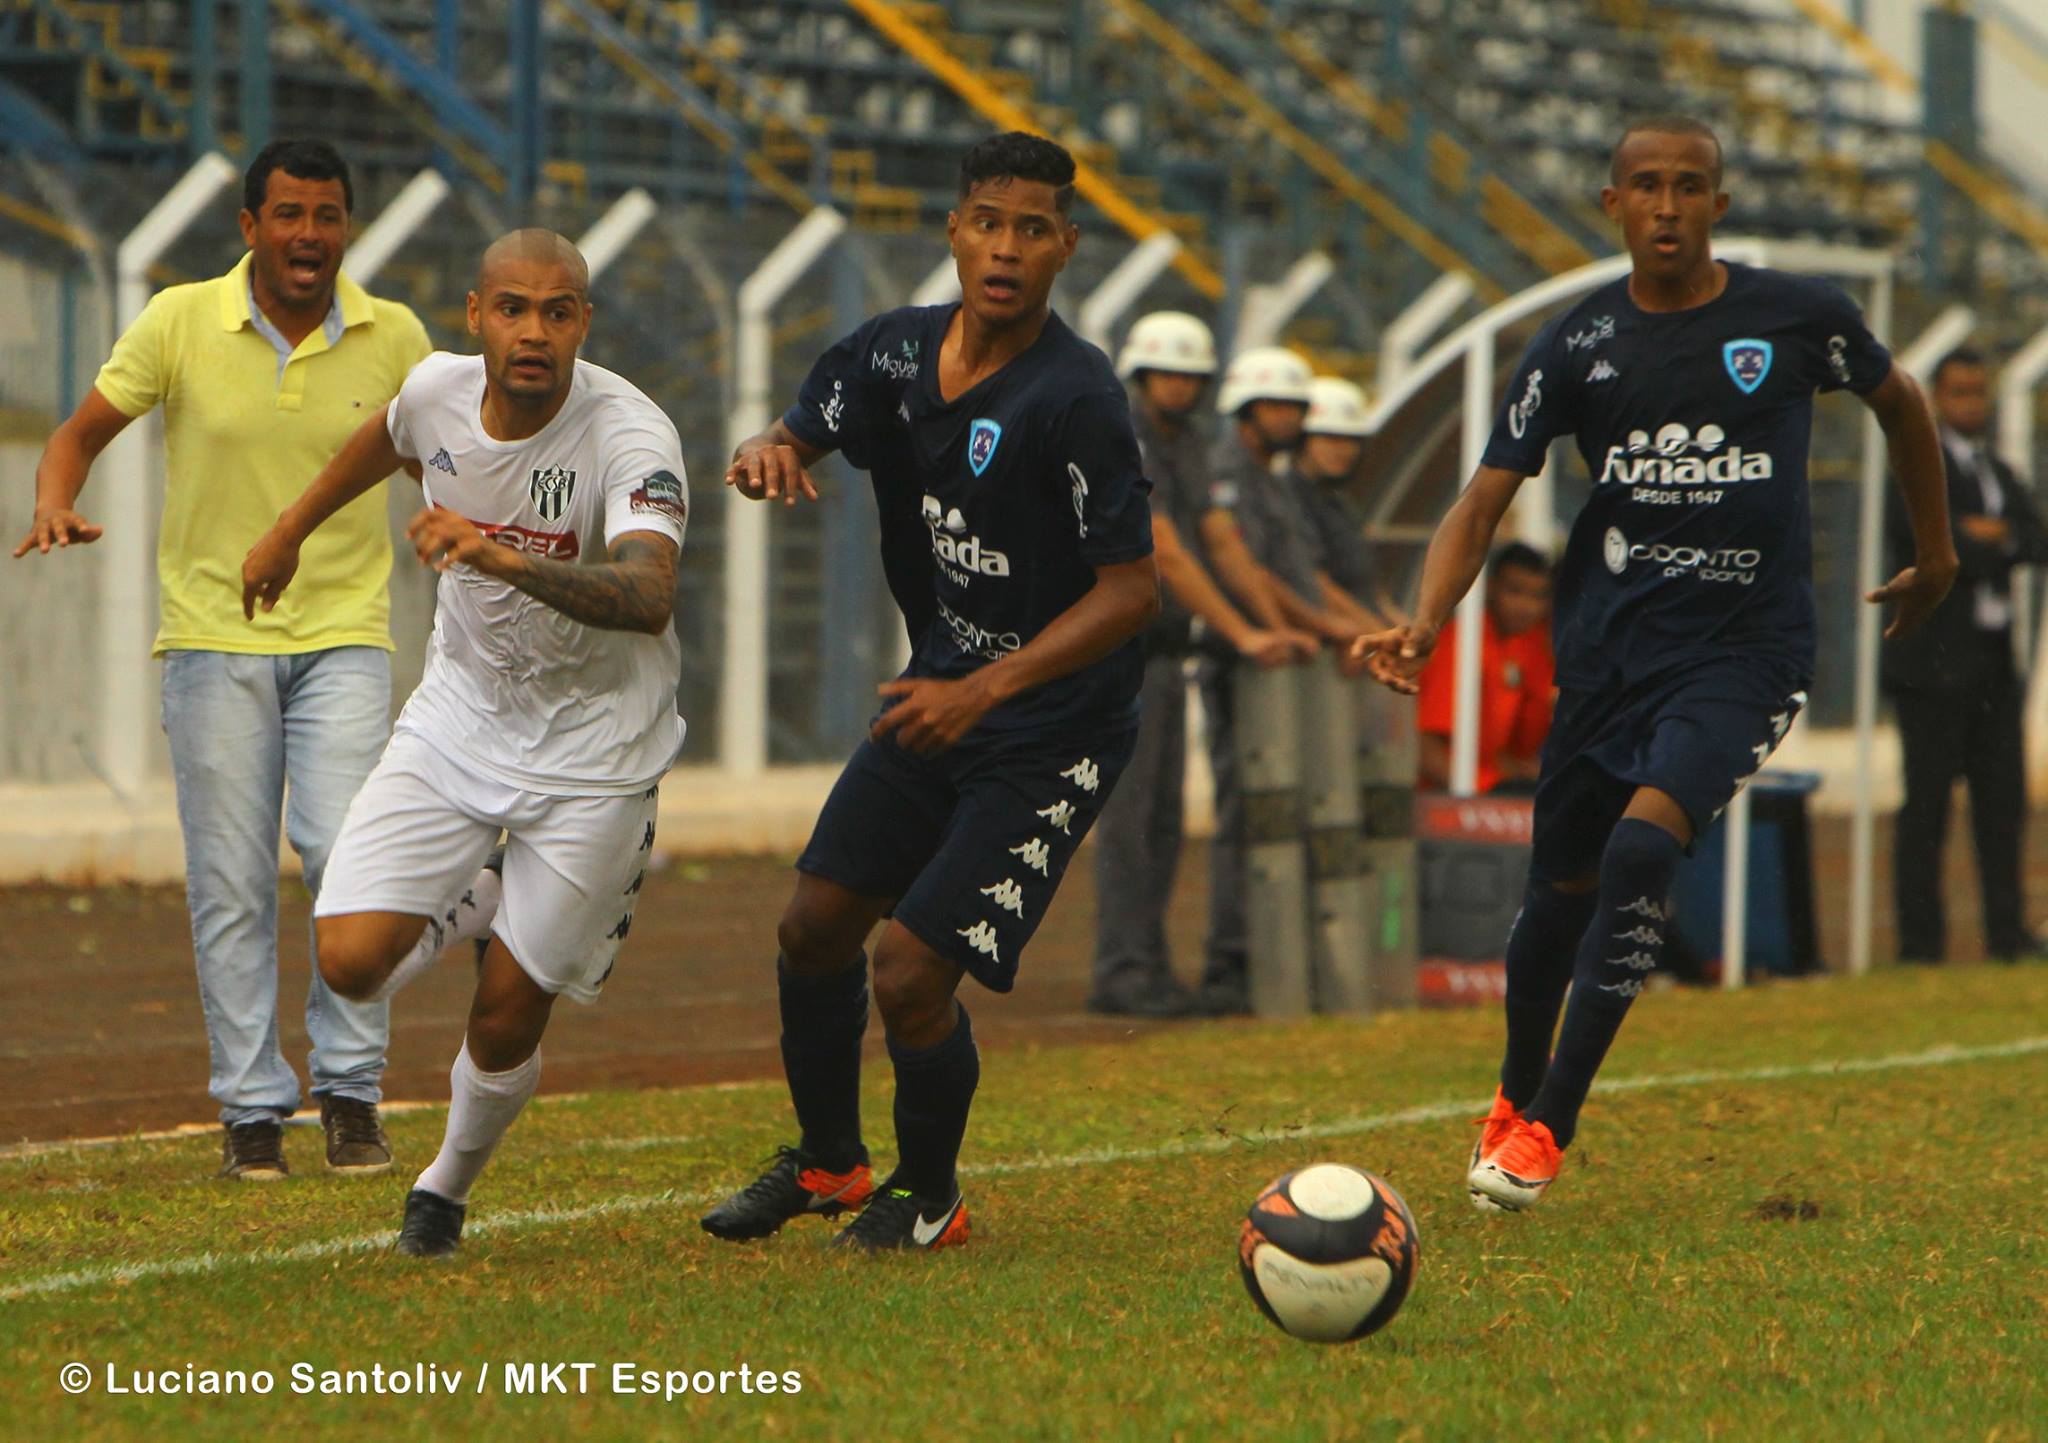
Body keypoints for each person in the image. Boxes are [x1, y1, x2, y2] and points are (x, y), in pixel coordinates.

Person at [1354, 114, 1954, 1213]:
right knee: (1556, 894)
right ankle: (1510, 1091)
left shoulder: (1792, 317)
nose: (1666, 206)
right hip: (1604, 658)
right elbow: (1483, 495)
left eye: (1688, 187)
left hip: (1745, 654)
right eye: (1645, 187)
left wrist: (1936, 551)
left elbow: (1897, 399)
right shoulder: (1576, 345)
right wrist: (1426, 619)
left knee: (1640, 851)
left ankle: (1546, 1128)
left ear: (1718, 205)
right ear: (1611, 205)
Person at [699, 132, 1160, 1251]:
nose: (1005, 249)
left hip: (1052, 730)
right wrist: (773, 450)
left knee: (907, 970)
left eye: (1032, 231)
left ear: (1065, 248)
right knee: (811, 926)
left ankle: (930, 1194)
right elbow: (804, 425)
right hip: (937, 696)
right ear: (953, 231)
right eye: (987, 223)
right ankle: (827, 1166)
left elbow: (1131, 591)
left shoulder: (1076, 396)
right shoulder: (894, 355)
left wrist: (988, 689)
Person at [240, 229, 688, 1255]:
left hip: (596, 756)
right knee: (348, 963)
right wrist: (288, 529)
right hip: (460, 719)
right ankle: (477, 896)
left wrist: (499, 557)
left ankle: (442, 1188)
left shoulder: (630, 436)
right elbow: (391, 438)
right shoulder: (437, 388)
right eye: (514, 309)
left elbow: (650, 594)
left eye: (559, 311)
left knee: (503, 1019)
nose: (535, 331)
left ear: (583, 323)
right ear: (476, 313)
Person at [12, 140, 431, 1181]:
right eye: (287, 215)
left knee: (345, 857)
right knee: (233, 884)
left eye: (326, 216)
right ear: (248, 228)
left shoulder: (398, 337)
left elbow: (447, 452)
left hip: (345, 634)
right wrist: (55, 501)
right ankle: (251, 1110)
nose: (308, 235)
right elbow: (78, 432)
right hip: (209, 640)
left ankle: (349, 1095)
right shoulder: (179, 322)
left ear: (347, 229)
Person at [1087, 311, 1313, 1019]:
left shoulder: (1185, 446)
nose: (1180, 386)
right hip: (1115, 657)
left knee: (1159, 820)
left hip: (1160, 657)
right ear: (1142, 375)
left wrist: (1270, 626)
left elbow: (1221, 542)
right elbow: (1168, 551)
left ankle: (1148, 968)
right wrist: (1242, 634)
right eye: (1168, 373)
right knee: (1129, 819)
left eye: (1191, 375)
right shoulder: (1129, 439)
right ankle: (1121, 969)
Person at [1196, 347, 1364, 1014]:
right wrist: (1309, 629)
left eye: (1295, 406)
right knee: (1250, 811)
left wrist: (1339, 628)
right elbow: (1250, 570)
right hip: (1246, 663)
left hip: (1280, 655)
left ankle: (1260, 957)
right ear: (1245, 409)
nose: (1289, 417)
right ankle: (1231, 961)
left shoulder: (1274, 476)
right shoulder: (1231, 472)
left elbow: (1298, 574)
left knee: (1273, 811)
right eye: (1276, 405)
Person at [1883, 347, 2048, 963]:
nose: (1971, 405)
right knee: (1925, 811)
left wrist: (1990, 537)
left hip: (1992, 667)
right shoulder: (1916, 470)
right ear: (1935, 397)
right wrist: (1983, 542)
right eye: (1959, 393)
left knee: (2002, 807)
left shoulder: (1997, 473)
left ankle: (2007, 935)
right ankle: (1920, 946)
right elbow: (1934, 550)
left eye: (1979, 392)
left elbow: (2035, 538)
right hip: (1930, 668)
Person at [1414, 543, 1555, 793]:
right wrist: (1479, 799)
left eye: (1537, 596)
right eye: (1515, 591)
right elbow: (1426, 750)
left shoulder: (1520, 647)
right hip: (1445, 797)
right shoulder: (1462, 644)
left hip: (1487, 782)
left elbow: (1509, 751)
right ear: (1491, 588)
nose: (1525, 607)